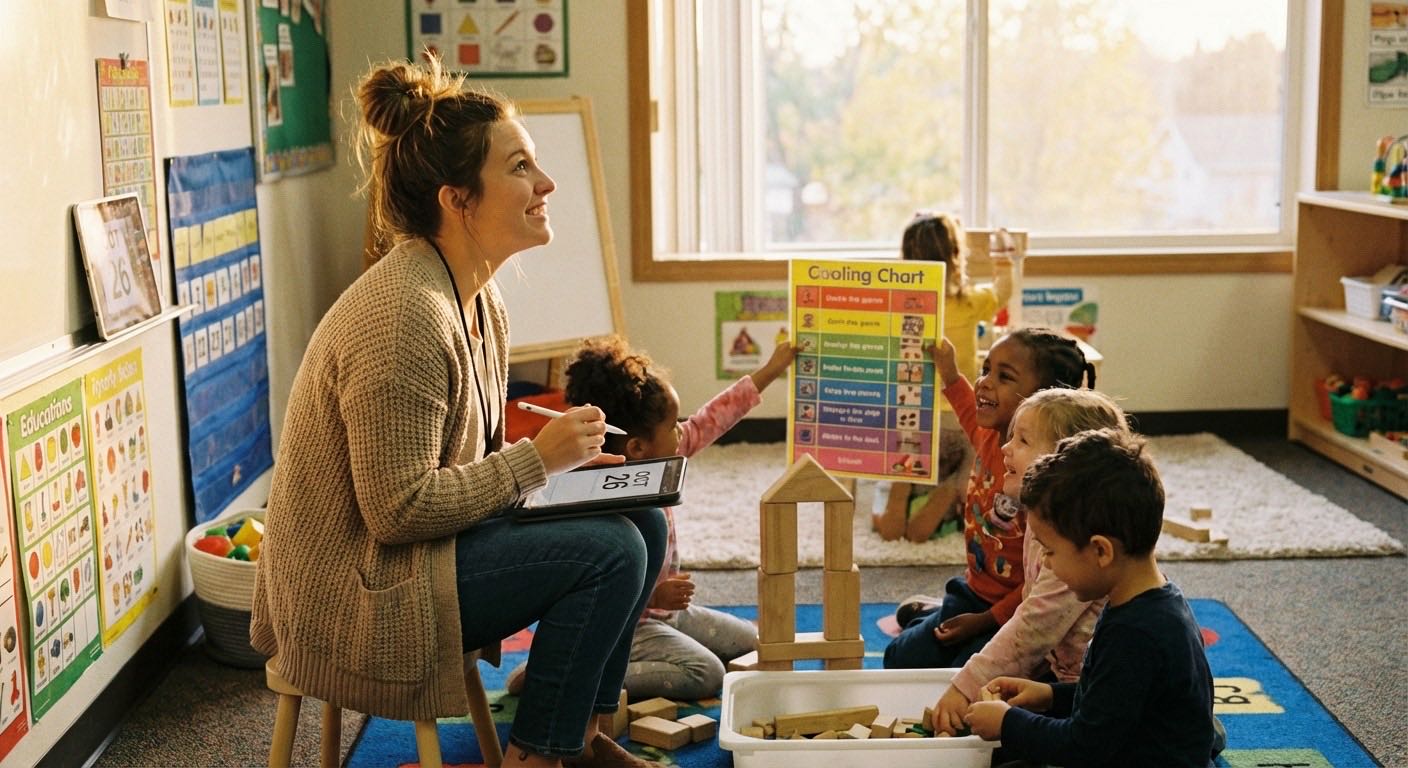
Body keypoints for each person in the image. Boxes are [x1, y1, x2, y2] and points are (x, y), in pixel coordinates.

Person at [249, 56, 667, 768]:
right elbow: (398, 510)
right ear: (457, 199)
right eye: (520, 168)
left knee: (642, 517)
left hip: (418, 556)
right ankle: (538, 757)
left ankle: (583, 739)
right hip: (363, 591)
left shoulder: (475, 296)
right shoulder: (404, 313)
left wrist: (557, 478)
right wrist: (538, 461)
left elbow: (463, 471)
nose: (546, 185)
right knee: (611, 551)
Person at [507, 335, 798, 701]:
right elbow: (590, 585)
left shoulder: (664, 456)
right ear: (637, 447)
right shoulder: (596, 492)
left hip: (670, 615)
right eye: (674, 425)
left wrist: (772, 370)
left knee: (754, 643)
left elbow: (713, 417)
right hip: (629, 625)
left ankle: (574, 668)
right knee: (707, 673)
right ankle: (559, 674)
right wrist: (654, 595)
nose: (683, 431)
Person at [964, 429, 1219, 767]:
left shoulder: (1136, 634)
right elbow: (1112, 699)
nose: (1046, 564)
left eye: (1051, 552)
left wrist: (1008, 724)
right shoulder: (1147, 599)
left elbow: (1083, 747)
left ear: (1101, 550)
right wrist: (1050, 695)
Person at [883, 327, 1095, 671]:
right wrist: (950, 371)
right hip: (972, 591)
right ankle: (935, 611)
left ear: (1044, 399)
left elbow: (1041, 586)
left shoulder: (1046, 480)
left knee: (965, 679)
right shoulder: (990, 435)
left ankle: (935, 616)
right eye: (986, 370)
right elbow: (968, 408)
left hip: (1018, 610)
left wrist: (985, 621)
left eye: (1004, 377)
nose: (985, 383)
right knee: (899, 660)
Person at [931, 388, 1128, 736]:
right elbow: (1032, 604)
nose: (1005, 448)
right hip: (1056, 673)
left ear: (1064, 462)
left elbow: (1033, 627)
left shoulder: (1078, 547)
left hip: (1086, 689)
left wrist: (965, 687)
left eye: (1022, 440)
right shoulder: (1043, 521)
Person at [874, 213, 1016, 543]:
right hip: (960, 419)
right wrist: (1004, 259)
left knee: (900, 450)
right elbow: (1003, 291)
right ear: (955, 257)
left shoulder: (898, 306)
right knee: (981, 450)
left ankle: (902, 482)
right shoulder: (969, 302)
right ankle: (955, 489)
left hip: (912, 420)